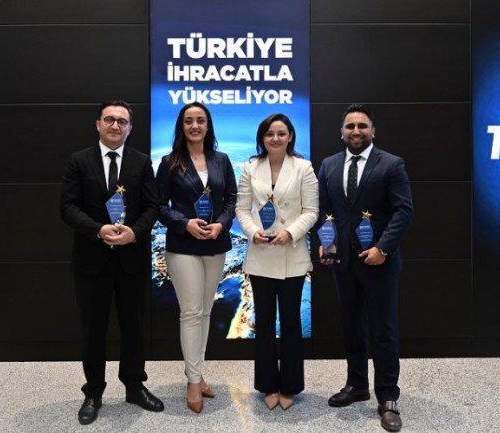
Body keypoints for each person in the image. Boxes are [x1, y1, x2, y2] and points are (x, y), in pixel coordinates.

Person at [60, 100, 164, 425]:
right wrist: (98, 229)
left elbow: (152, 206)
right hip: (92, 261)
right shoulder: (79, 161)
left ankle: (134, 387)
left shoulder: (141, 162)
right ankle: (93, 392)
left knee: (133, 327)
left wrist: (134, 233)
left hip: (131, 259)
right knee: (93, 331)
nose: (115, 125)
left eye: (122, 121)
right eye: (109, 119)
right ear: (98, 124)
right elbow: (68, 207)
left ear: (130, 128)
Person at [317, 104, 413, 432]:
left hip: (379, 261)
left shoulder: (391, 164)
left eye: (361, 126)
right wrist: (326, 240)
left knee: (383, 330)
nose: (355, 131)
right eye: (350, 126)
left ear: (373, 131)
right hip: (342, 261)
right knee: (352, 326)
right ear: (341, 132)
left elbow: (403, 211)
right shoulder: (329, 165)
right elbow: (325, 209)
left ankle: (388, 397)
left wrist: (383, 248)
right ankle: (356, 385)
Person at [155, 102, 237, 414]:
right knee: (190, 312)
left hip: (215, 243)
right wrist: (185, 223)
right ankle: (192, 381)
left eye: (200, 120)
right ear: (182, 126)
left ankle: (198, 372)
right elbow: (159, 205)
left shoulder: (222, 160)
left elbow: (231, 199)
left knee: (205, 312)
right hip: (182, 245)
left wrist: (222, 224)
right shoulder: (169, 162)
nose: (194, 126)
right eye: (188, 121)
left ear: (208, 125)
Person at [236, 113, 319, 411]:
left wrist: (290, 232)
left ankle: (291, 385)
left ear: (290, 136)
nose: (275, 138)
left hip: (292, 254)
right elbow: (241, 208)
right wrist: (251, 231)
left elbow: (311, 211)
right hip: (260, 255)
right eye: (270, 133)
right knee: (265, 322)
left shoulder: (304, 167)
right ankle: (268, 385)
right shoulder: (250, 167)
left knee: (292, 322)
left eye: (281, 133)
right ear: (262, 137)